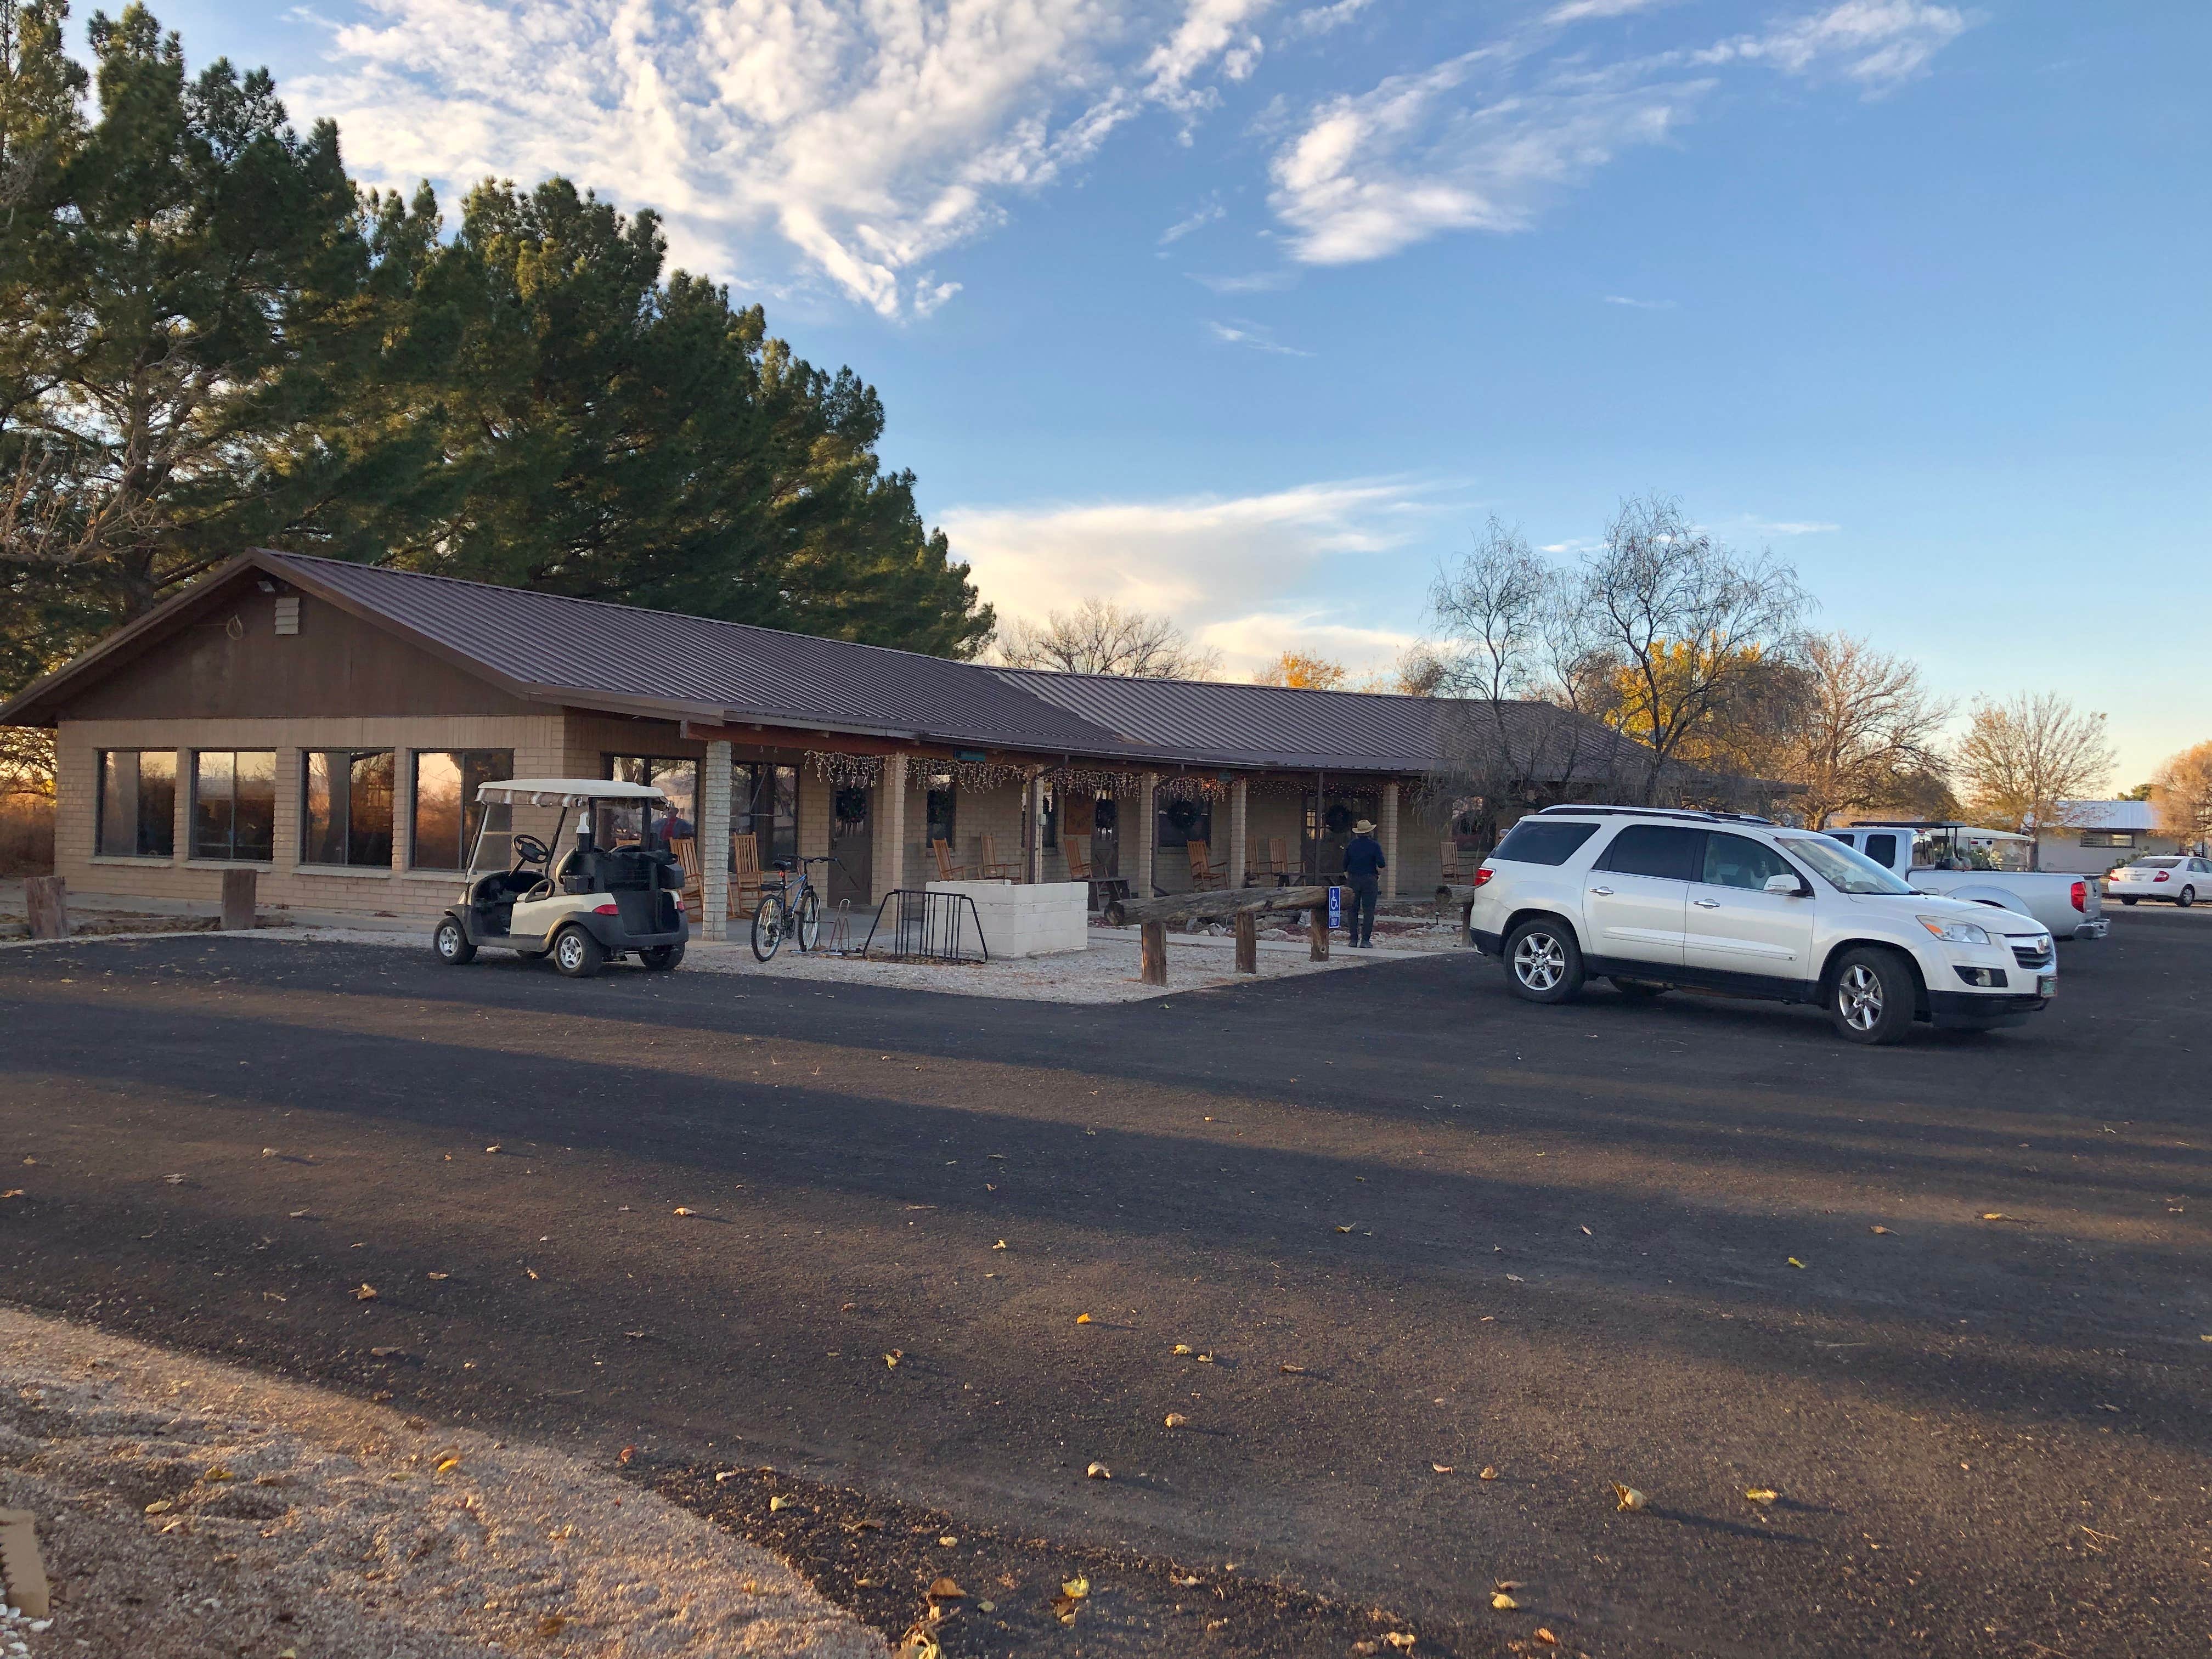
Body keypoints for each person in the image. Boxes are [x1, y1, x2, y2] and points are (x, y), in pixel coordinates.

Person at [1340, 817, 1385, 948]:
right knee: (1369, 910)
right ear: (1370, 832)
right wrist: (1378, 874)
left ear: (1357, 833)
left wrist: (1349, 876)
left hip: (1353, 879)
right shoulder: (1375, 846)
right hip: (1369, 879)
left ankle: (1353, 939)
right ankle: (1365, 940)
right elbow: (1382, 863)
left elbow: (1344, 865)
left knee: (1352, 910)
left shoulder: (1352, 845)